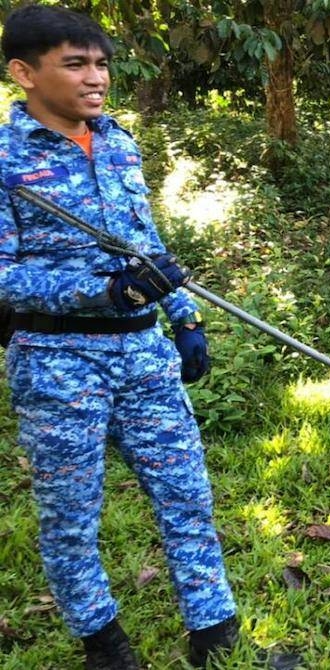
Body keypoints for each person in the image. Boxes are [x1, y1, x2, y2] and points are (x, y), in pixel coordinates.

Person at [0, 6, 249, 668]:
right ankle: (101, 638)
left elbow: (147, 245)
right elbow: (2, 277)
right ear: (24, 72)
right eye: (75, 63)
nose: (96, 78)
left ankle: (212, 623)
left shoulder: (117, 142)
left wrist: (184, 315)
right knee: (71, 515)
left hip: (144, 351)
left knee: (185, 490)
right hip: (57, 360)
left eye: (102, 63)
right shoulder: (5, 160)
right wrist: (100, 295)